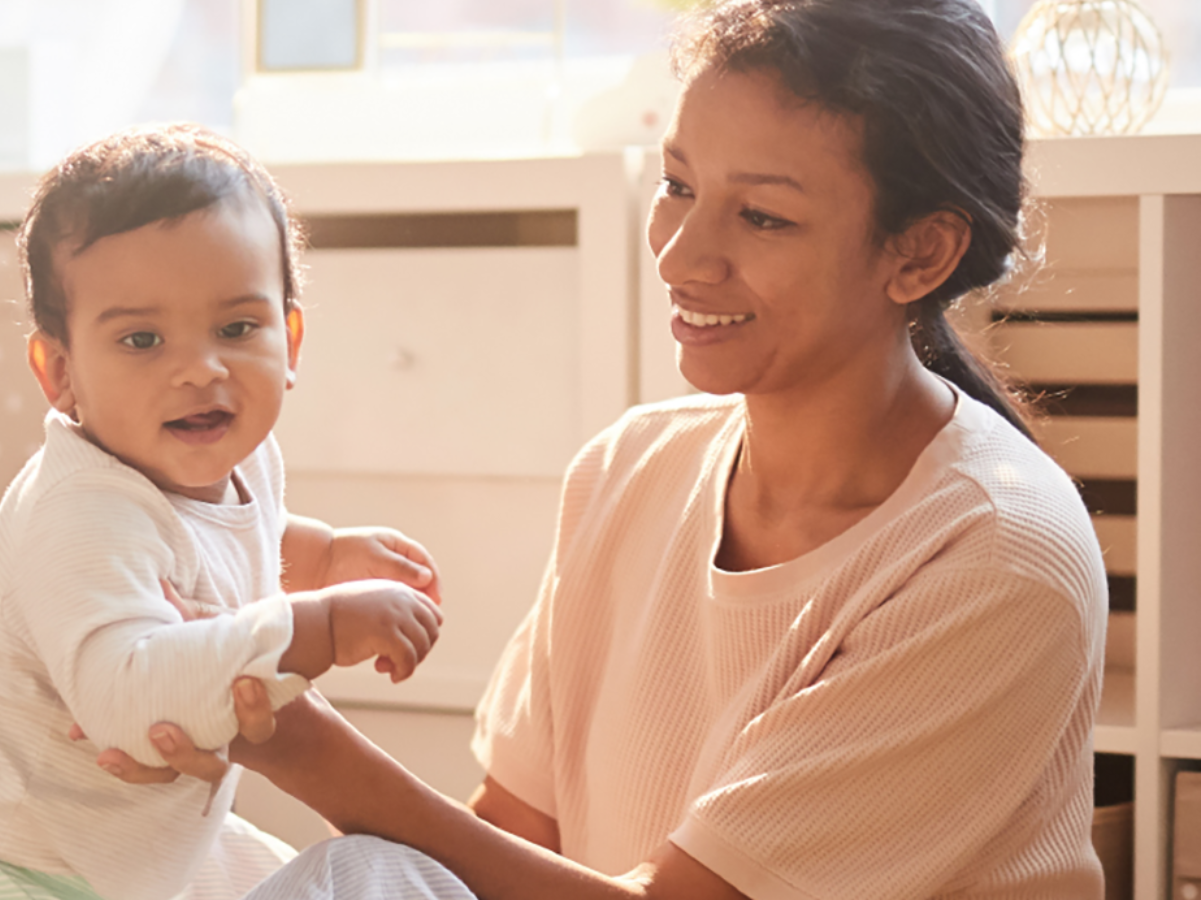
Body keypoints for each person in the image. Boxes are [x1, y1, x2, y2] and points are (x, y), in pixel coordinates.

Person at [93, 1, 1109, 898]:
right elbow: (500, 844)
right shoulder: (632, 472)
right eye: (677, 185)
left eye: (760, 215)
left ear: (919, 252)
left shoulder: (998, 561)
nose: (680, 253)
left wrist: (294, 740)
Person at [0, 124, 446, 900]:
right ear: (60, 371)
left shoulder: (241, 461)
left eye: (237, 329)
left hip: (127, 859)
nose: (199, 370)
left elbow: (224, 550)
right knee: (354, 879)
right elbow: (127, 697)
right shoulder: (79, 511)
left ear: (290, 339)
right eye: (142, 339)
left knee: (390, 878)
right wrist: (319, 626)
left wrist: (324, 554)